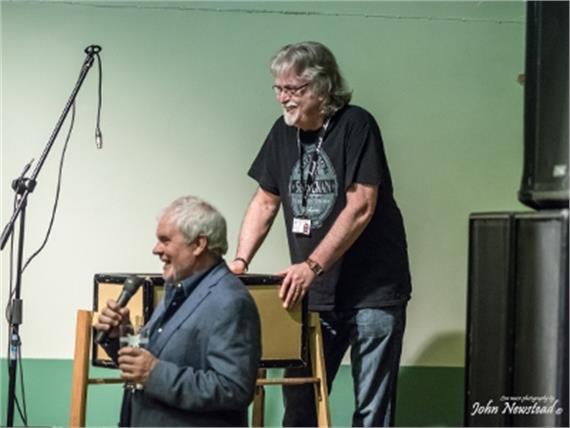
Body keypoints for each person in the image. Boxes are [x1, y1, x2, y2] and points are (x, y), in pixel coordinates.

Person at [228, 41, 411, 427]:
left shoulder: (357, 124)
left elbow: (361, 205)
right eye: (278, 88)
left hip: (372, 292)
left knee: (371, 411)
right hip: (315, 295)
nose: (283, 98)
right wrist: (240, 261)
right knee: (299, 404)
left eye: (292, 89)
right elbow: (265, 201)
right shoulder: (282, 133)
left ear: (322, 88)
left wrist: (311, 265)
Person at [95, 195, 261, 427]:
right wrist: (121, 336)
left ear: (199, 244)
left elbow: (234, 389)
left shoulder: (231, 301)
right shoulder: (178, 290)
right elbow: (150, 360)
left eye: (165, 240)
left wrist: (154, 374)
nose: (156, 249)